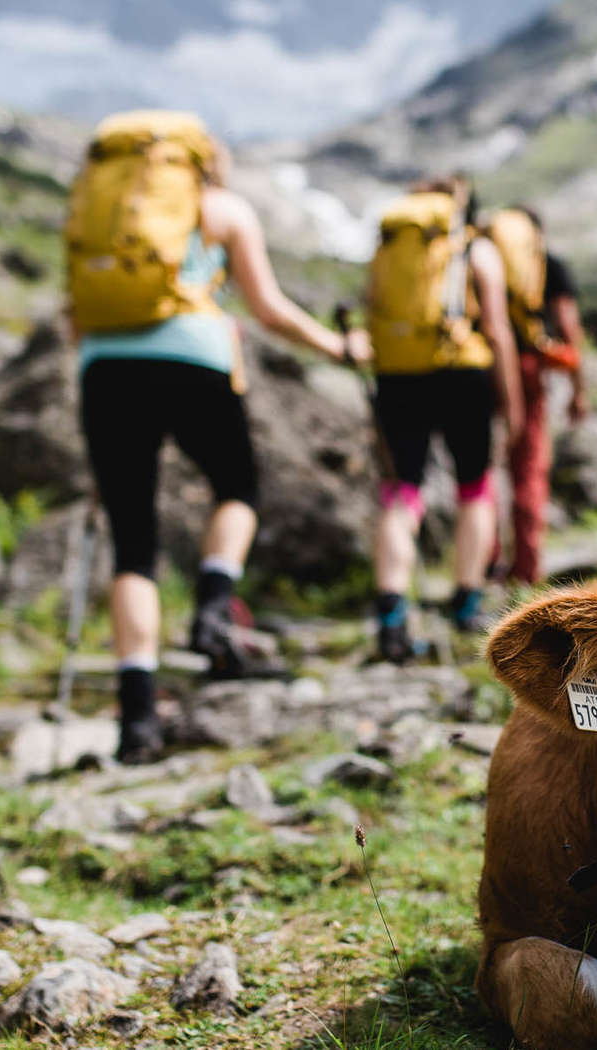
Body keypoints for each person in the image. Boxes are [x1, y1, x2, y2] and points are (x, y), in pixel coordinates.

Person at [64, 111, 358, 764]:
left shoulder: (95, 208)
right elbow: (269, 310)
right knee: (238, 487)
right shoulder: (220, 208)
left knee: (132, 543)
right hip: (194, 356)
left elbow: (75, 314)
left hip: (104, 369)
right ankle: (213, 606)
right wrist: (337, 346)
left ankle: (136, 722)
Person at [348, 175, 524, 662]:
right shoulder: (472, 248)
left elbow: (372, 311)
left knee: (402, 493)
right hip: (462, 373)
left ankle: (390, 615)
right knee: (475, 488)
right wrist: (511, 405)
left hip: (399, 374)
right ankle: (467, 604)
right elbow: (498, 331)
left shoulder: (390, 250)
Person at [482, 206, 589, 586]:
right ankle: (525, 570)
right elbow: (568, 327)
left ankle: (486, 562)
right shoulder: (549, 264)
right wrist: (579, 389)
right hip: (528, 368)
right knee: (527, 467)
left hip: (484, 365)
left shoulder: (482, 259)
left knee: (482, 468)